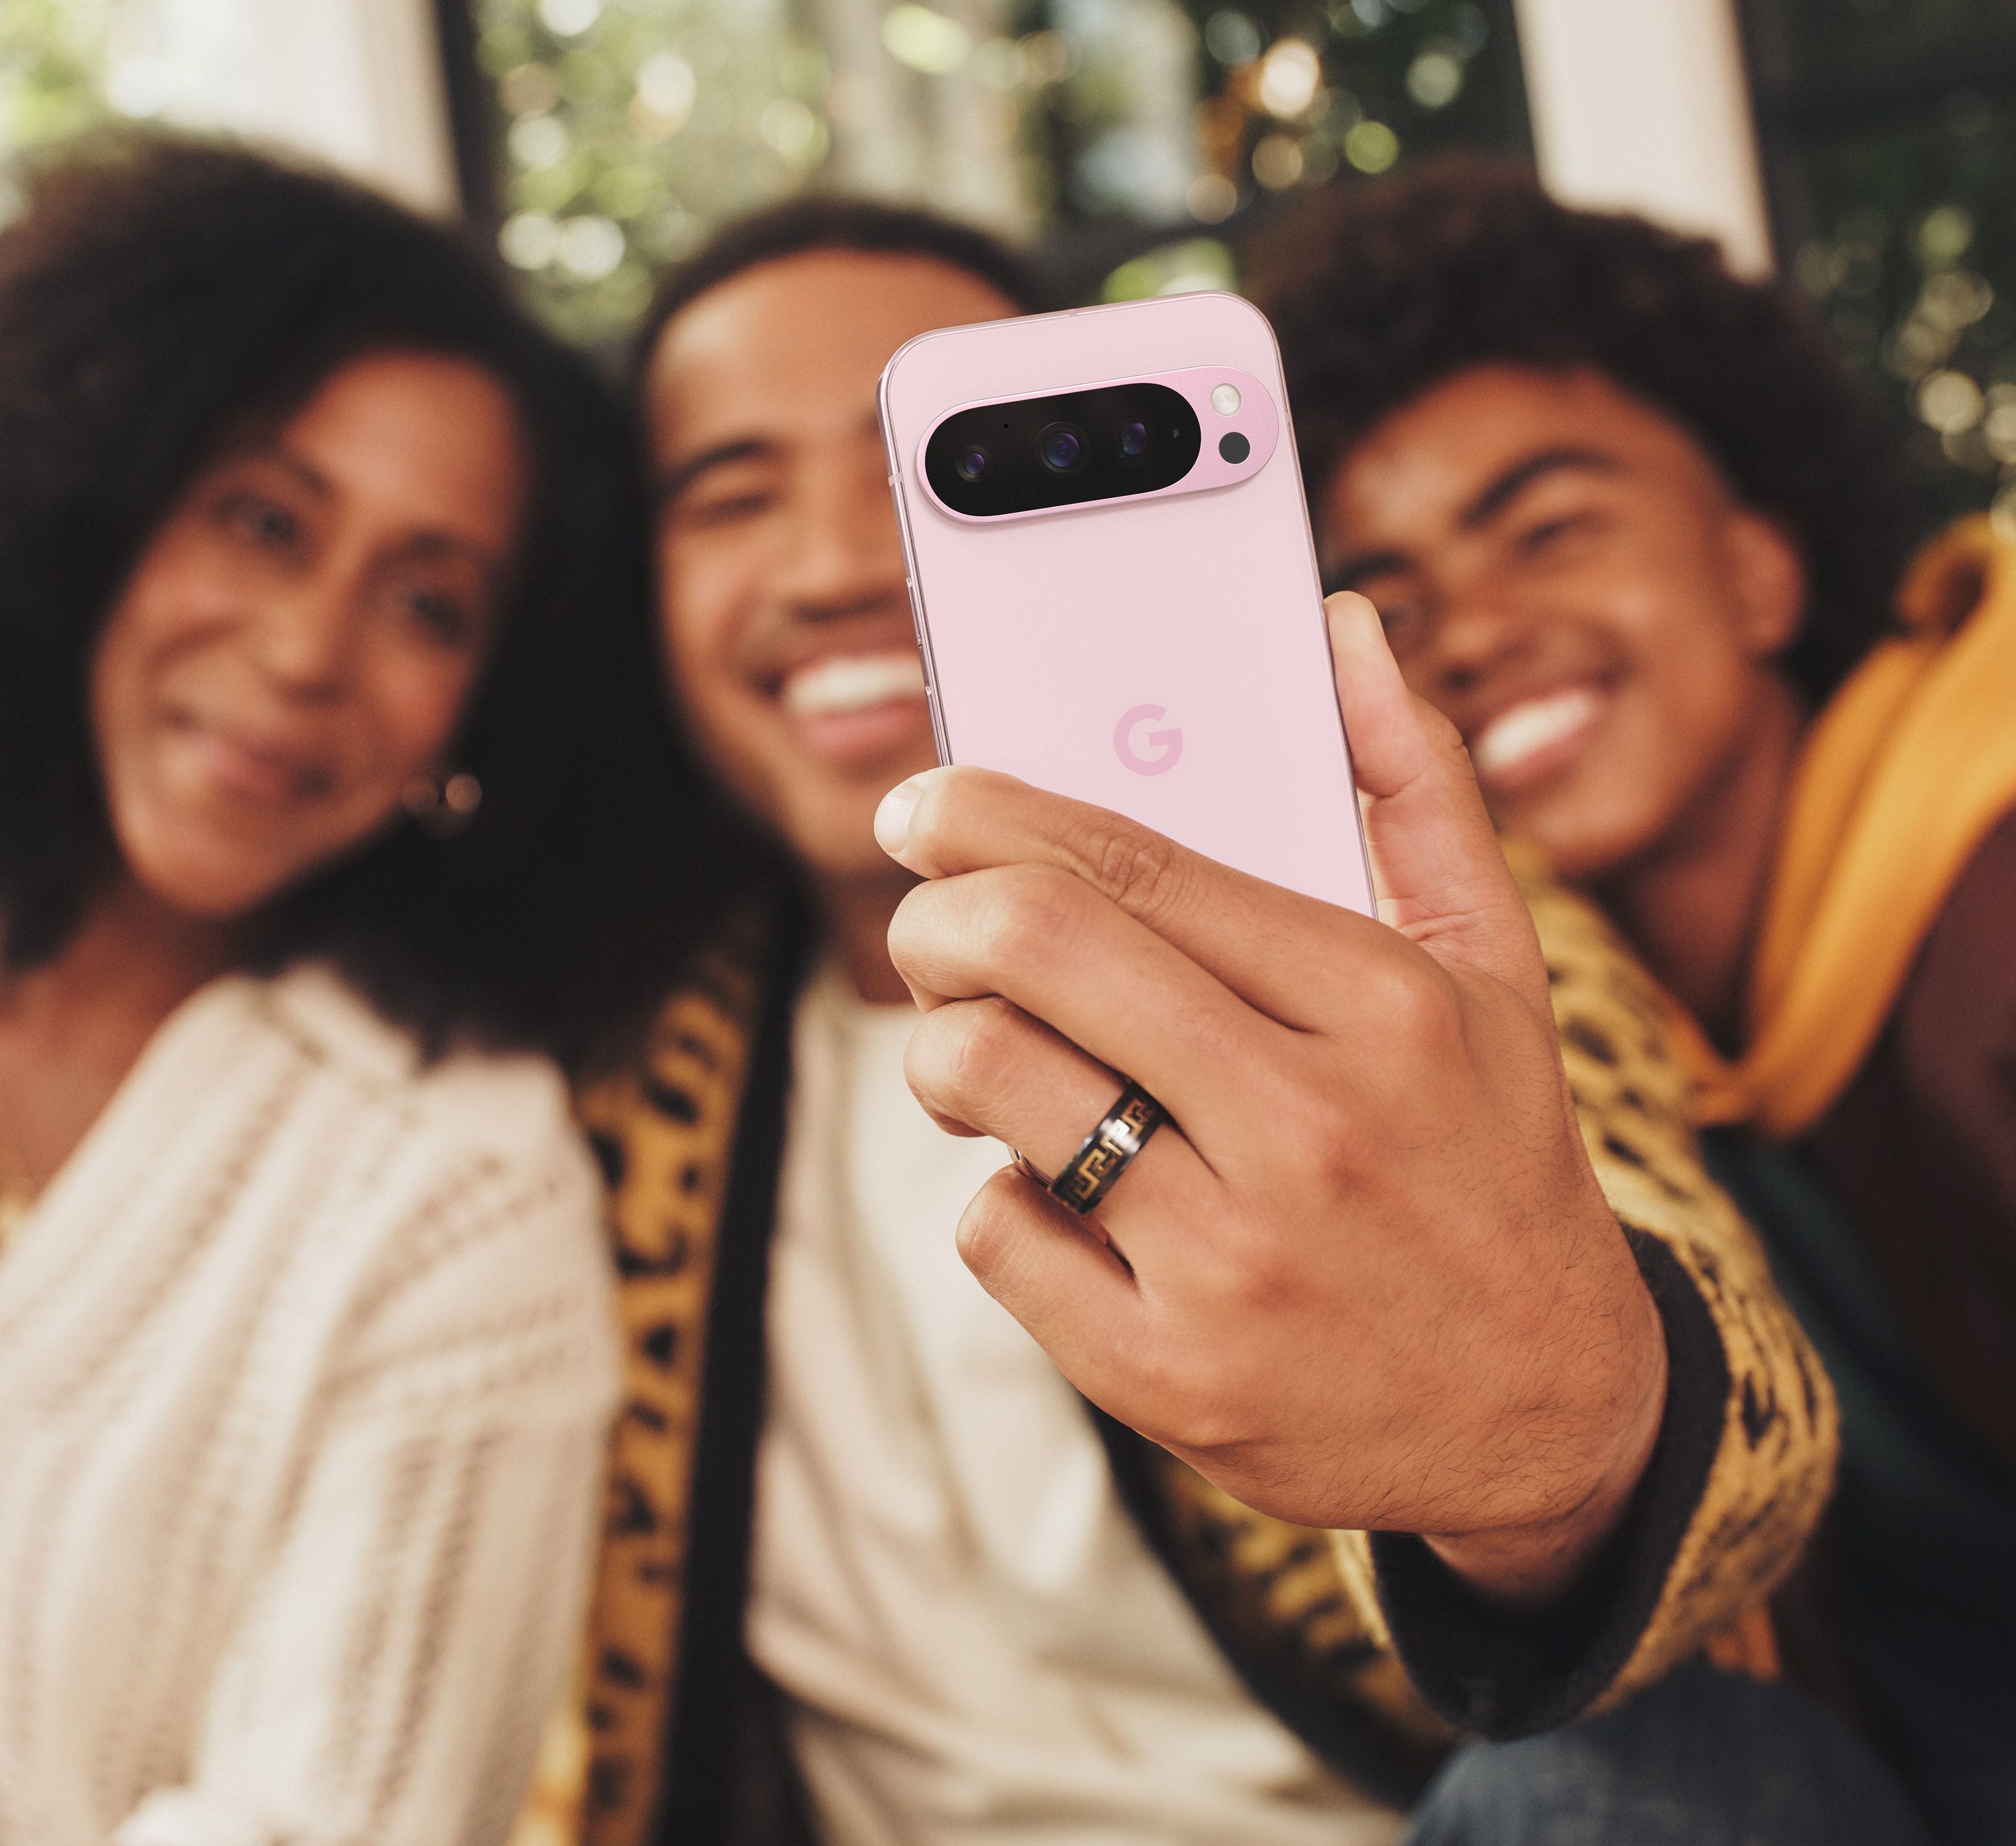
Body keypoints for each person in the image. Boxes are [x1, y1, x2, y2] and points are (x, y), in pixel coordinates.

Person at [538, 196, 1937, 1846]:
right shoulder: (608, 1082)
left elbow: (1715, 1377)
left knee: (1670, 1784)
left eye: (906, 469)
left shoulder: (1374, 923)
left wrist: (1561, 1453)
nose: (839, 563)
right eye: (730, 496)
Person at [1249, 158, 2016, 1845]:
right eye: (1399, 607)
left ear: (1757, 573)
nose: (1478, 635)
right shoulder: (1561, 1057)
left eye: (1550, 530)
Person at [0, 137, 704, 1845]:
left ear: (489, 715)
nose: (306, 652)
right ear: (98, 503)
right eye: (263, 520)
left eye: (427, 603)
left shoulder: (451, 1191)